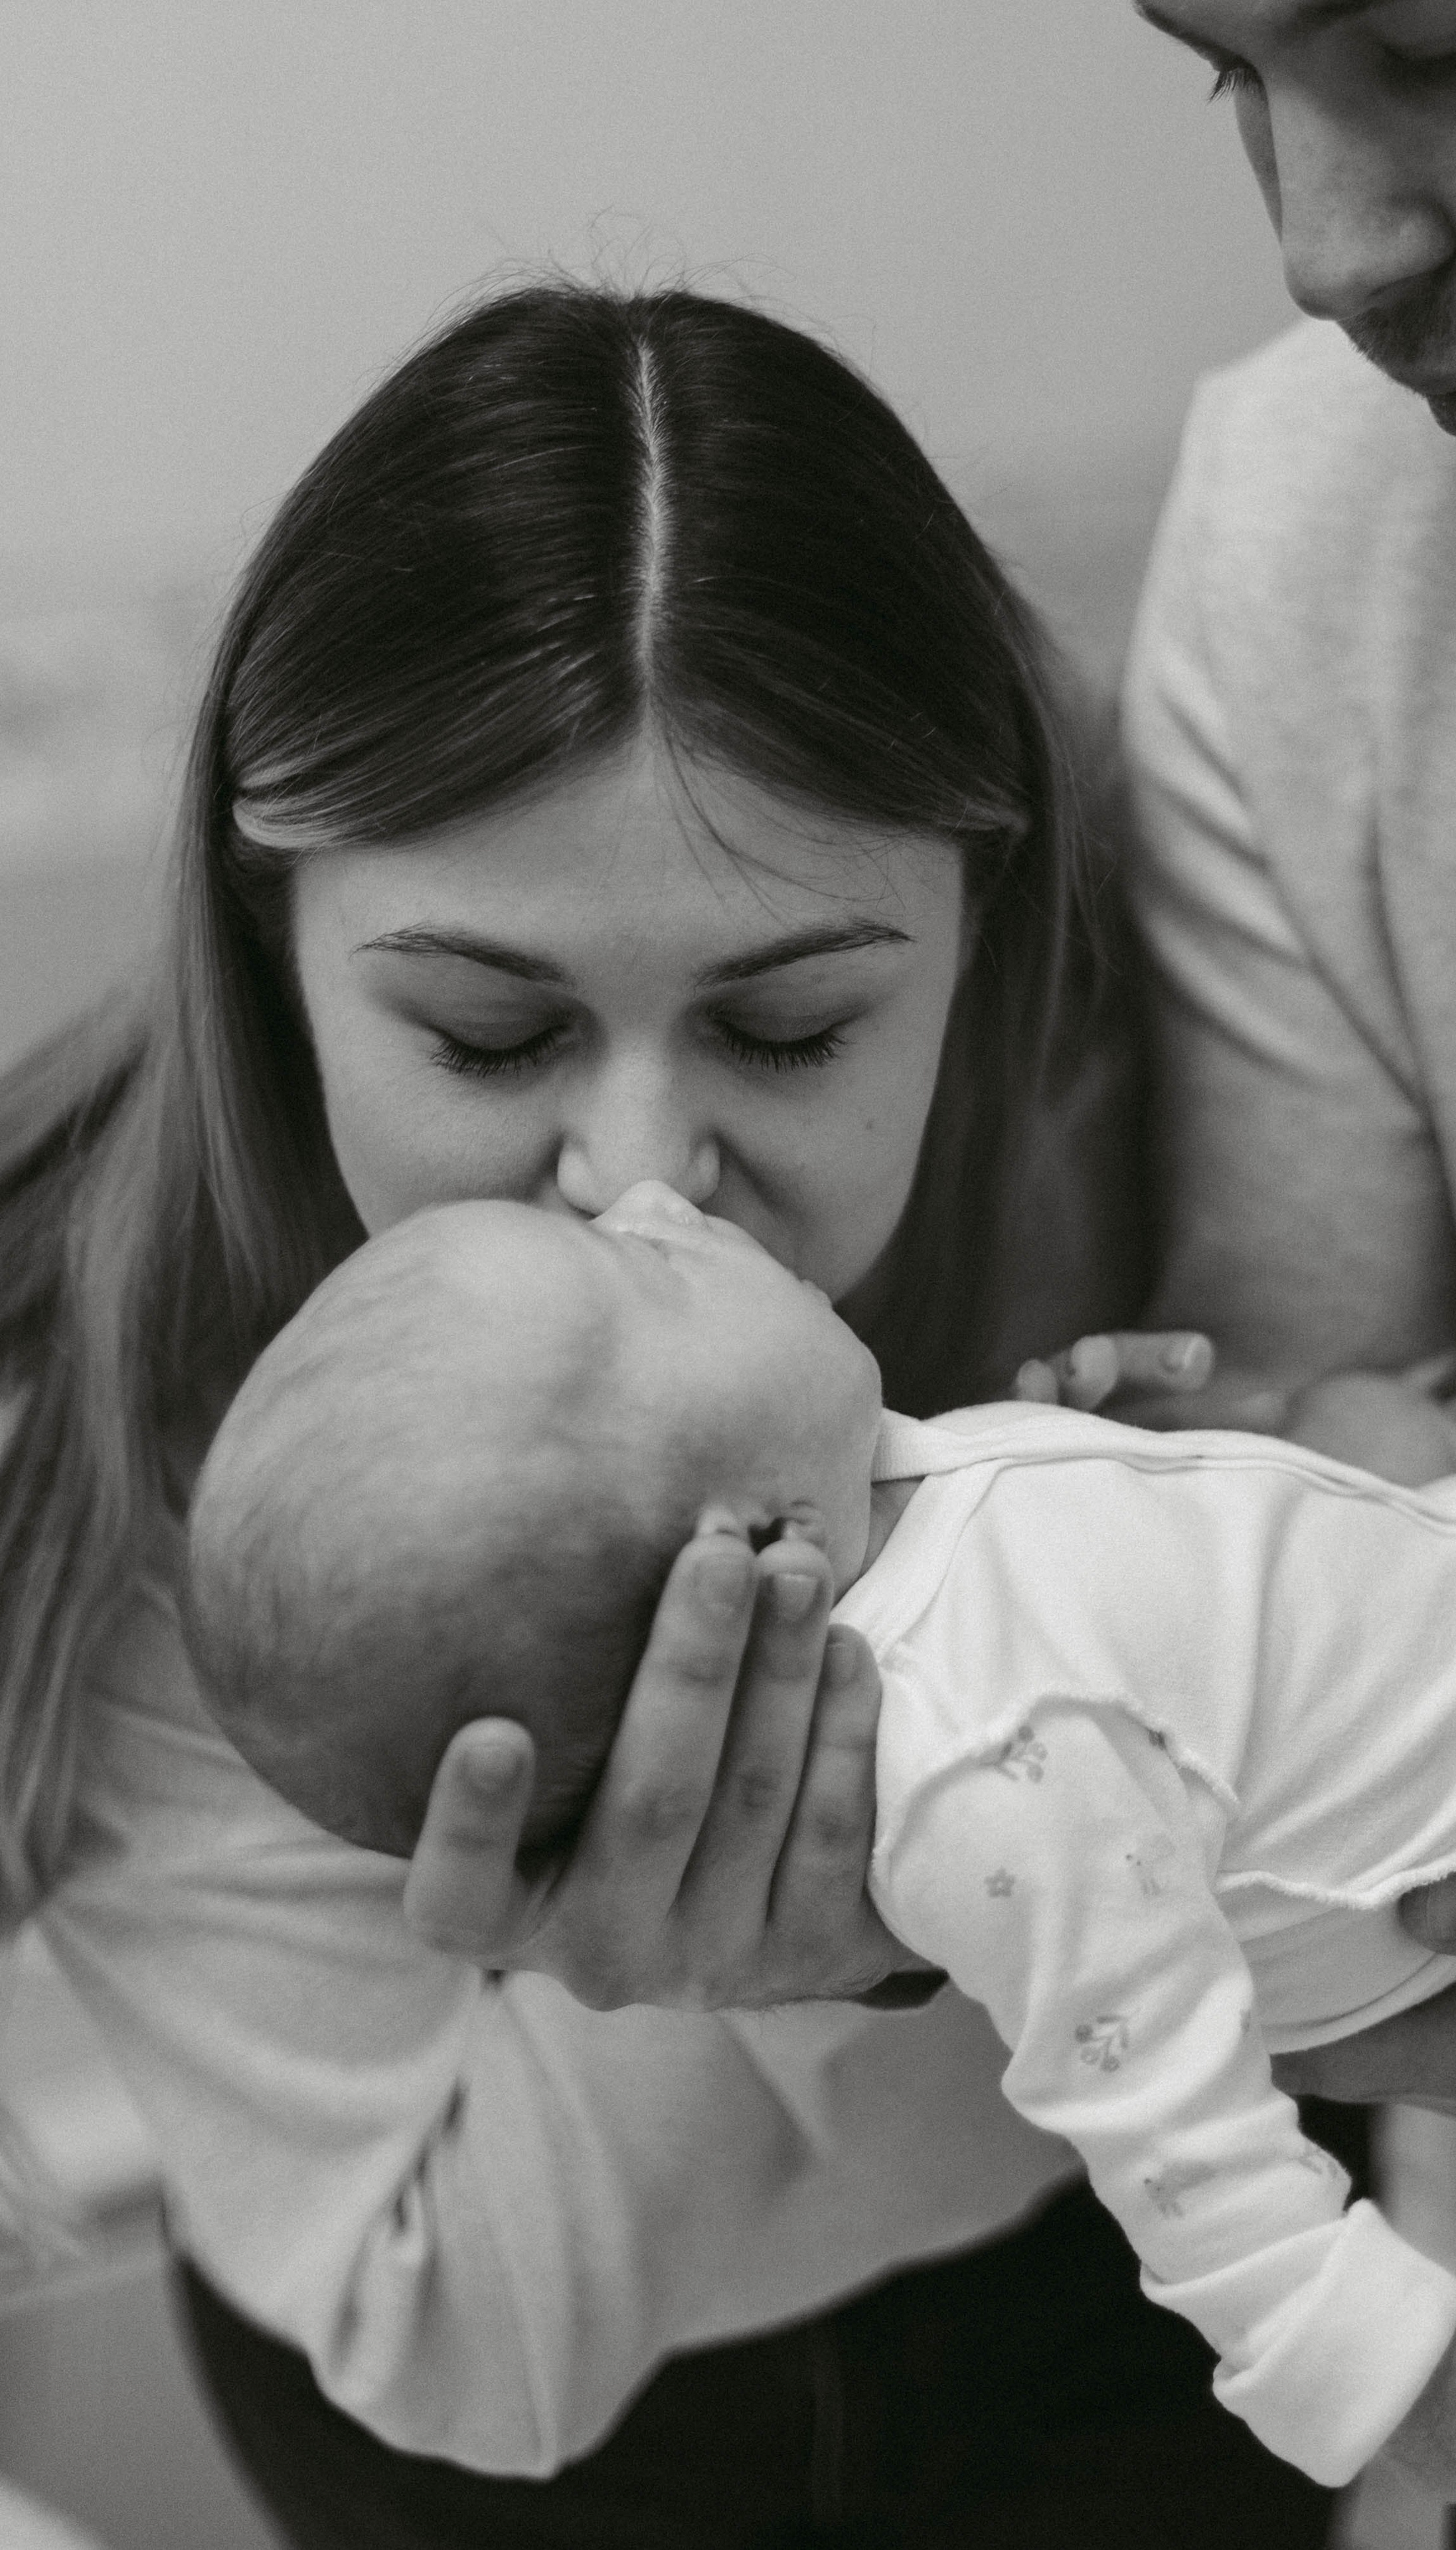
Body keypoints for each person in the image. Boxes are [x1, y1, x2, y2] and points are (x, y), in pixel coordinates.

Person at [0, 282, 1337, 2546]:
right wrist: (790, 1939)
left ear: (988, 923)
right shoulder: (60, 1436)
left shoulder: (1155, 1087)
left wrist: (1203, 1587)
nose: (643, 1176)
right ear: (271, 946)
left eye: (798, 1032)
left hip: (1118, 2302)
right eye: (489, 1039)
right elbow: (462, 2323)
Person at [184, 1174, 1456, 2490]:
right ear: (738, 1551)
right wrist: (1376, 2383)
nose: (653, 1197)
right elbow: (1196, 2163)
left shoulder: (876, 1496)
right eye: (642, 1274)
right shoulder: (983, 1768)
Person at [1007, 1, 1456, 2117]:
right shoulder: (1313, 526)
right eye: (1233, 76)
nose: (1331, 249)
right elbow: (1342, 1498)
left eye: (1434, 44)